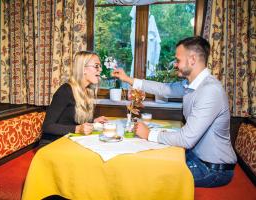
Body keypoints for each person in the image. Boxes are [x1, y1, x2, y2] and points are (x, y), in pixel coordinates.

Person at [112, 36, 237, 187]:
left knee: (147, 175)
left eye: (177, 60)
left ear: (192, 59)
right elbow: (163, 89)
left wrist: (148, 134)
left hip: (213, 169)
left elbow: (186, 139)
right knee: (149, 160)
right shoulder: (191, 85)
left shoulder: (209, 90)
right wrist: (127, 79)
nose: (175, 64)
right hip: (197, 157)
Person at [41, 51, 108, 144]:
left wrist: (93, 121)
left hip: (71, 140)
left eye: (100, 66)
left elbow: (72, 119)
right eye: (96, 66)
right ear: (83, 69)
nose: (100, 69)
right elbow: (47, 127)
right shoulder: (65, 90)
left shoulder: (88, 90)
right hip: (54, 144)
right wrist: (77, 129)